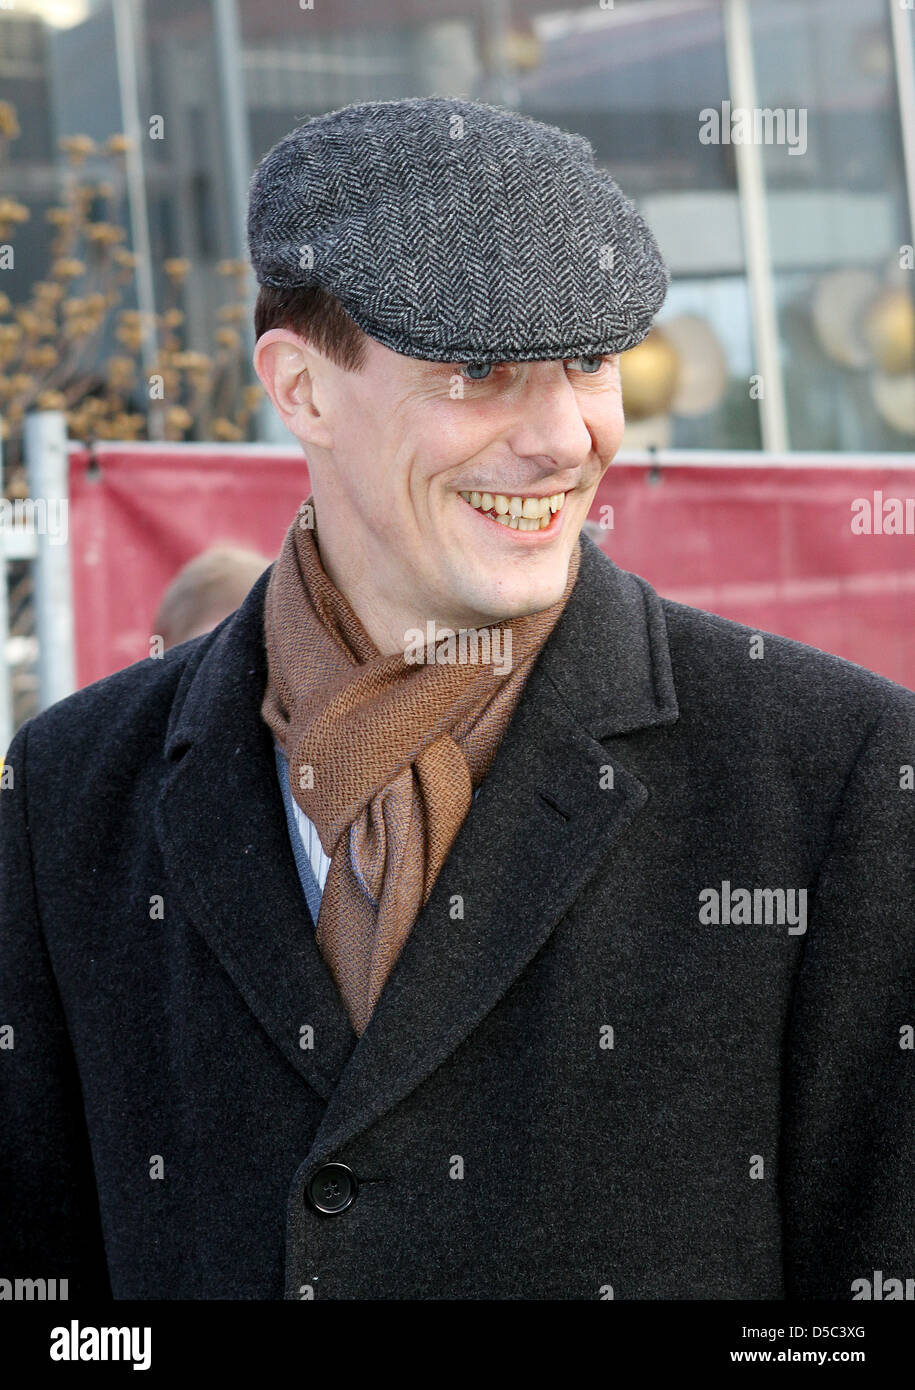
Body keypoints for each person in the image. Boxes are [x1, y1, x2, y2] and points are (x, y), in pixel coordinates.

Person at [1, 97, 912, 1302]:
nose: (563, 438)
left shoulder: (836, 774)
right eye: (478, 370)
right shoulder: (65, 793)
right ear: (302, 389)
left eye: (591, 360)